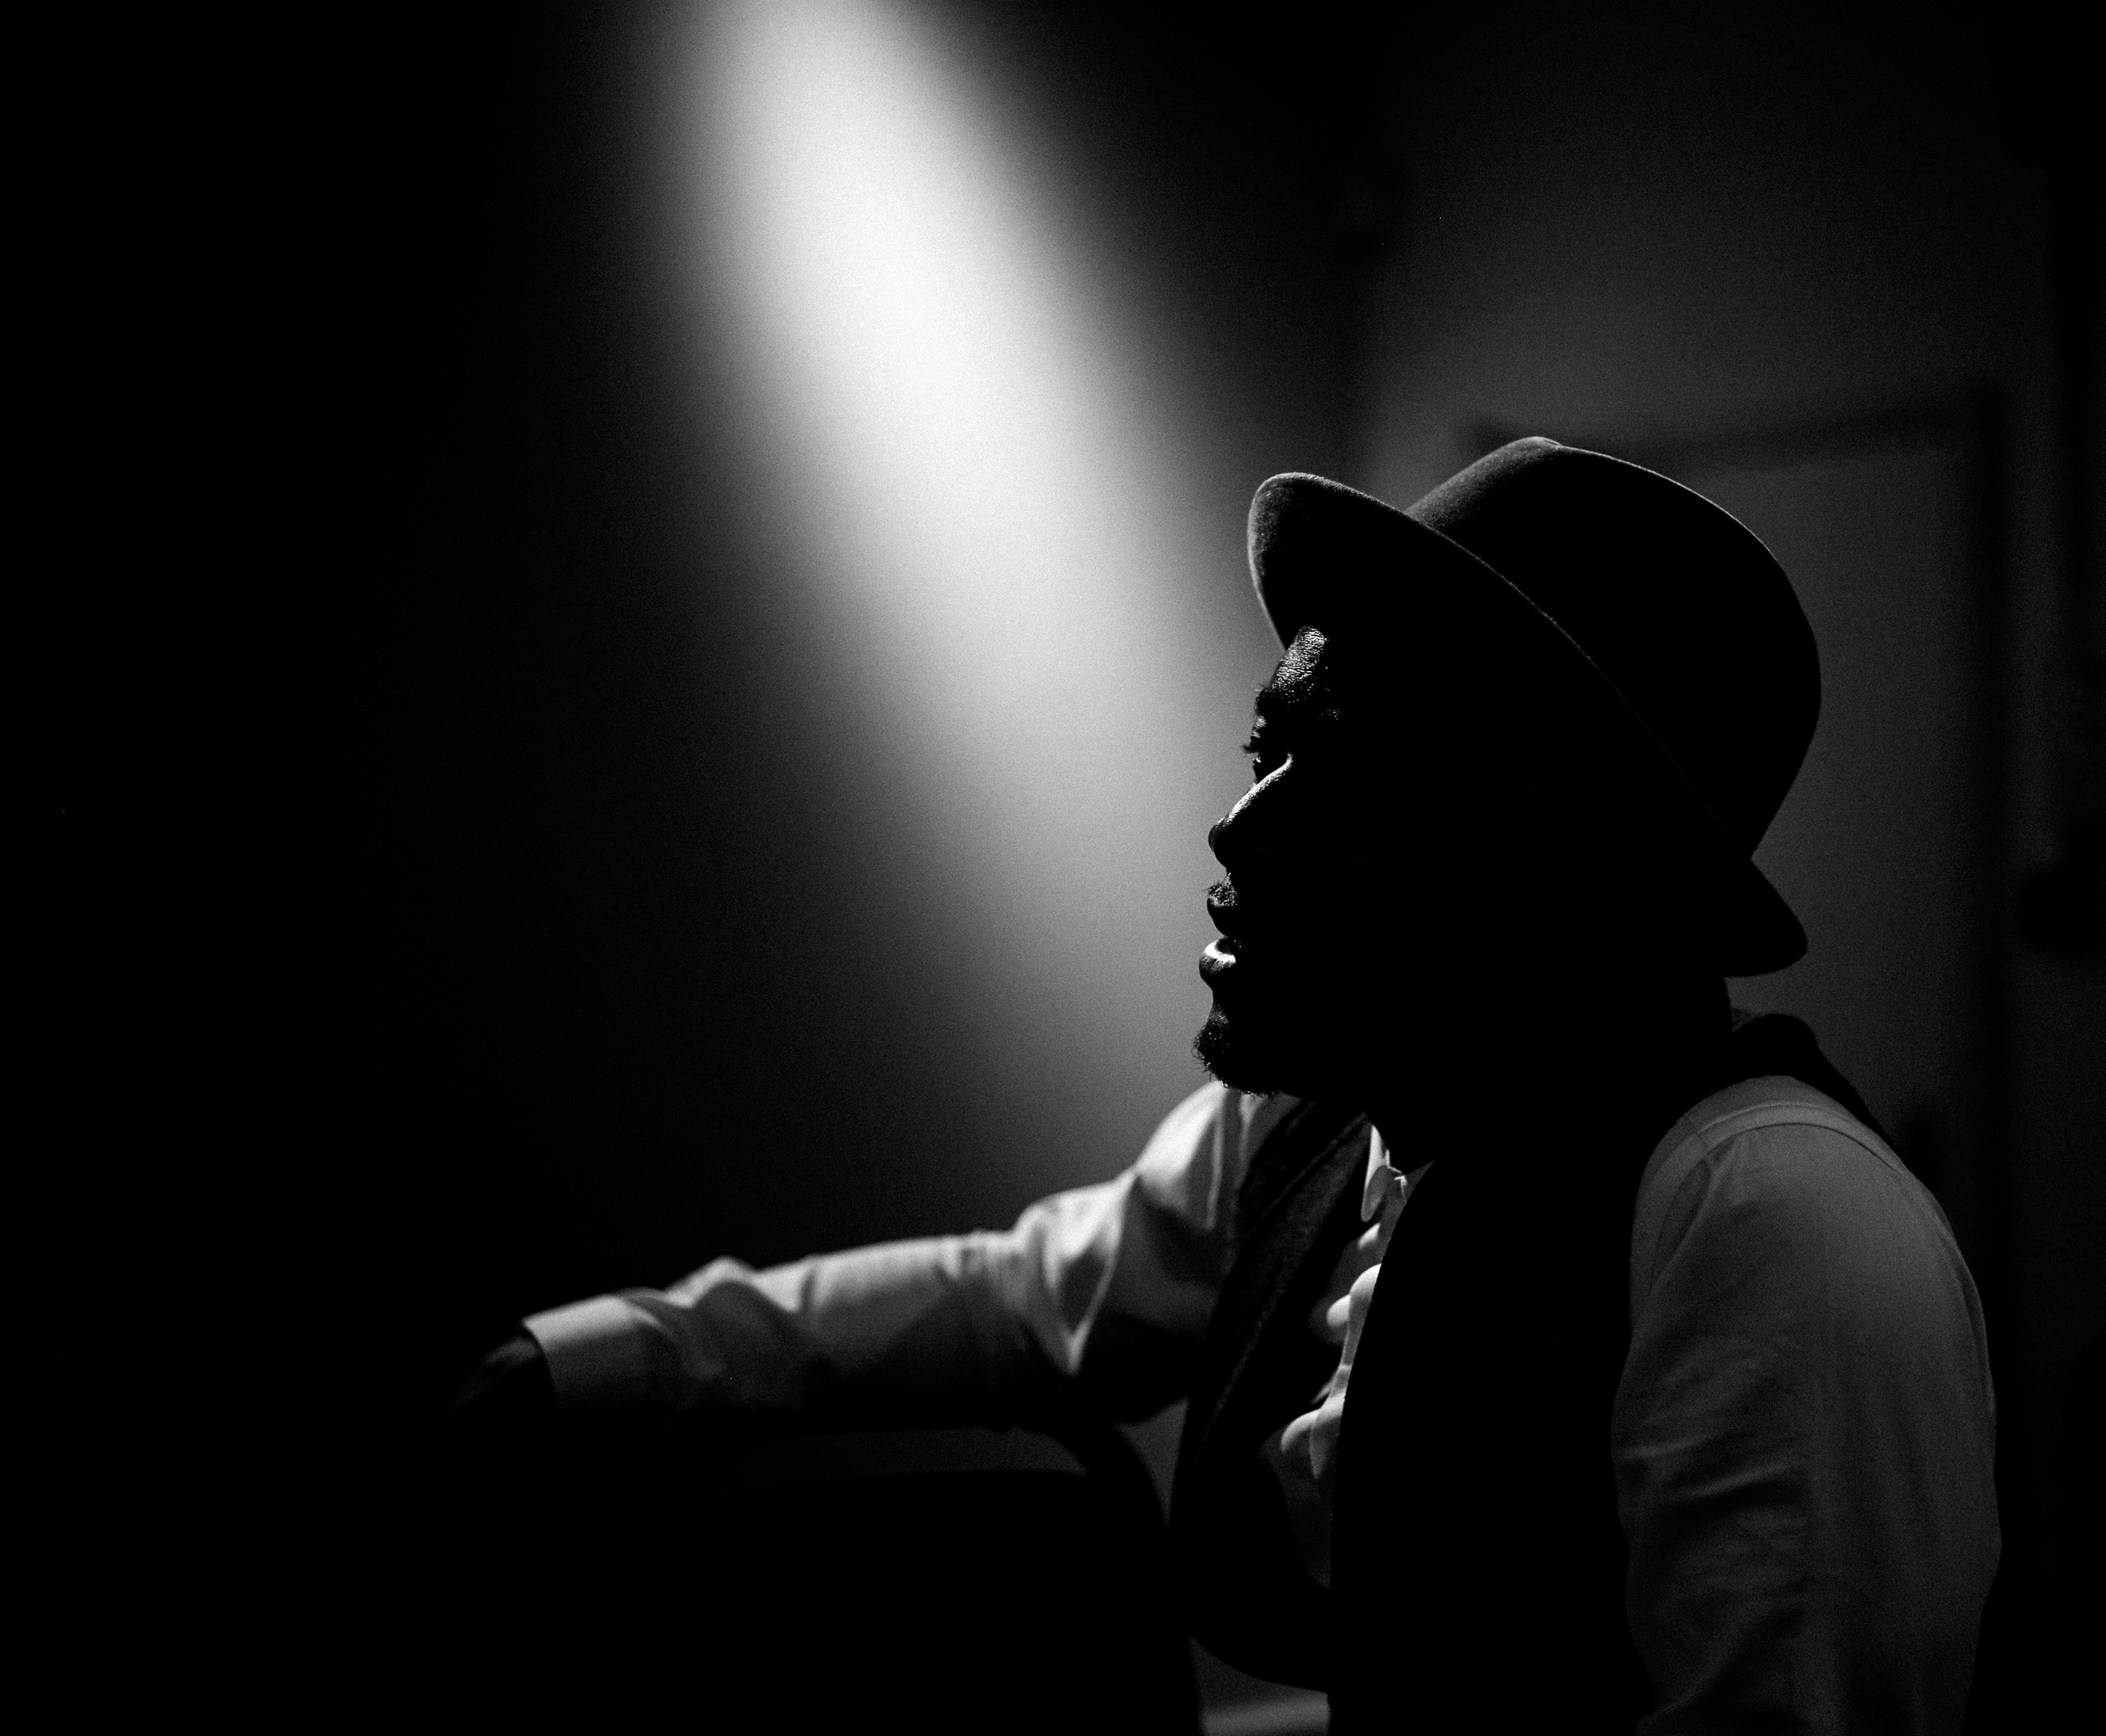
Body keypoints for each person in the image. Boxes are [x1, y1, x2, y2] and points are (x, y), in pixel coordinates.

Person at [442, 438, 2000, 1732]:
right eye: (1268, 751)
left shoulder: (1768, 1220)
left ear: (1562, 861)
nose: (1241, 829)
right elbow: (1030, 1301)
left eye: (1354, 777)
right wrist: (607, 1358)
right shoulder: (1324, 1125)